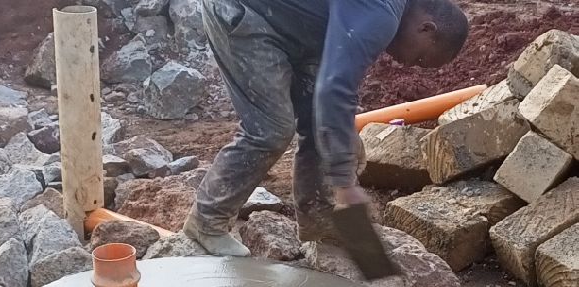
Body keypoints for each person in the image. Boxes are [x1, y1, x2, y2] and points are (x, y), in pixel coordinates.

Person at [182, 0, 469, 256]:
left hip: (295, 28)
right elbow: (335, 89)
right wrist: (344, 184)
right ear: (426, 29)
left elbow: (338, 93)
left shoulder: (384, 12)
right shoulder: (382, 13)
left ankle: (319, 222)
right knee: (270, 130)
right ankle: (207, 223)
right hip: (249, 13)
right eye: (420, 59)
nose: (408, 65)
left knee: (329, 126)